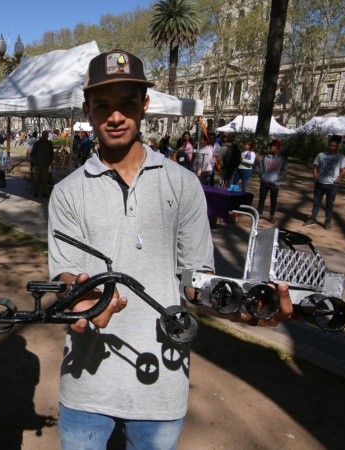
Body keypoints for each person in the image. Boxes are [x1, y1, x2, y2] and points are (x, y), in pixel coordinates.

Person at [47, 49, 294, 449]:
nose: (115, 116)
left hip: (161, 382)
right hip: (86, 384)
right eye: (103, 105)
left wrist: (242, 309)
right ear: (87, 110)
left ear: (145, 105)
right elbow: (65, 273)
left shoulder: (182, 184)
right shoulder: (66, 193)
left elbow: (196, 280)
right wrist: (78, 295)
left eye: (127, 104)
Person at [304, 134, 345, 230]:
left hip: (332, 185)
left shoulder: (341, 157)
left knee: (329, 203)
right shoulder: (321, 155)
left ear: (337, 146)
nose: (332, 147)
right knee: (316, 202)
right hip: (320, 183)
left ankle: (328, 221)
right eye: (330, 145)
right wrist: (315, 177)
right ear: (328, 145)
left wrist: (338, 180)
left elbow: (344, 170)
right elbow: (315, 166)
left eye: (334, 146)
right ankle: (313, 218)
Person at [257, 139, 288, 224]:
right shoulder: (266, 156)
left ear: (277, 148)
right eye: (270, 146)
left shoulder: (283, 158)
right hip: (264, 182)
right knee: (261, 199)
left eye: (272, 146)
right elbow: (262, 166)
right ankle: (259, 214)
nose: (270, 148)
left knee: (273, 201)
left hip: (275, 184)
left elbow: (284, 170)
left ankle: (271, 216)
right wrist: (261, 175)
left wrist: (277, 178)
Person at [30, 130, 54, 197]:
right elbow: (32, 154)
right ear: (42, 135)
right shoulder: (37, 143)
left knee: (45, 179)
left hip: (46, 164)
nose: (46, 136)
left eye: (47, 135)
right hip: (38, 164)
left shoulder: (49, 143)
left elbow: (52, 153)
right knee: (37, 178)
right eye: (45, 135)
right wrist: (35, 160)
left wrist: (50, 160)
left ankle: (44, 192)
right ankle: (36, 191)